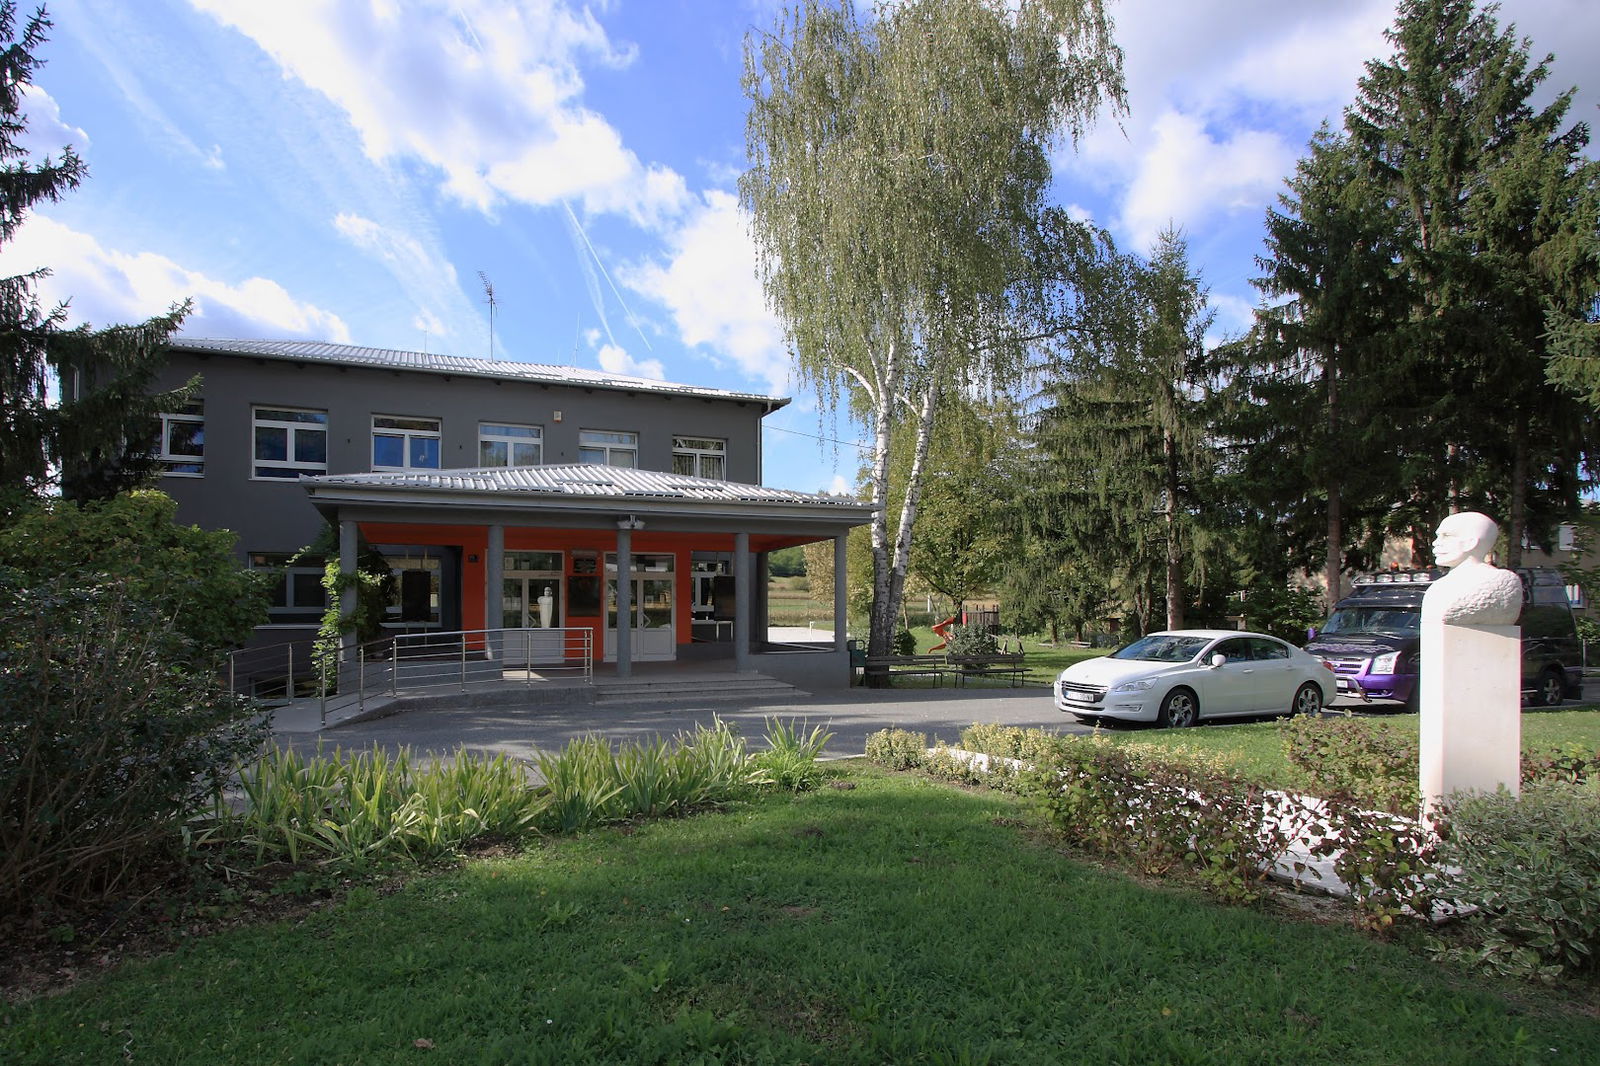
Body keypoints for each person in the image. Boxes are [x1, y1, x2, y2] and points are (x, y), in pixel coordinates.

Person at [1420, 511, 1522, 626]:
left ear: (1471, 543)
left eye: (1446, 536)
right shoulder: (1440, 586)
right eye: (1438, 536)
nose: (1435, 543)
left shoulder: (1499, 581)